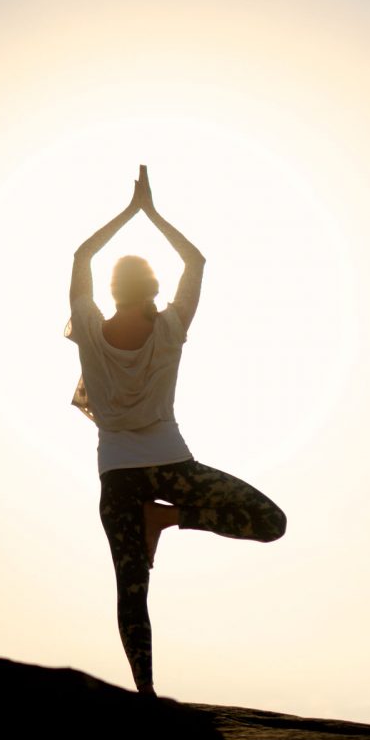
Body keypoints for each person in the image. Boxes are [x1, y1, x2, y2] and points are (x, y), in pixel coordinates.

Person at [65, 166, 286, 695]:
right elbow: (196, 261)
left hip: (118, 477)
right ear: (154, 288)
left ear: (112, 289)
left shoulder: (89, 329)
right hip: (173, 468)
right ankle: (168, 518)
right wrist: (153, 212)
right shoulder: (171, 327)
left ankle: (145, 693)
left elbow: (81, 259)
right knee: (270, 521)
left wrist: (126, 212)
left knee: (131, 589)